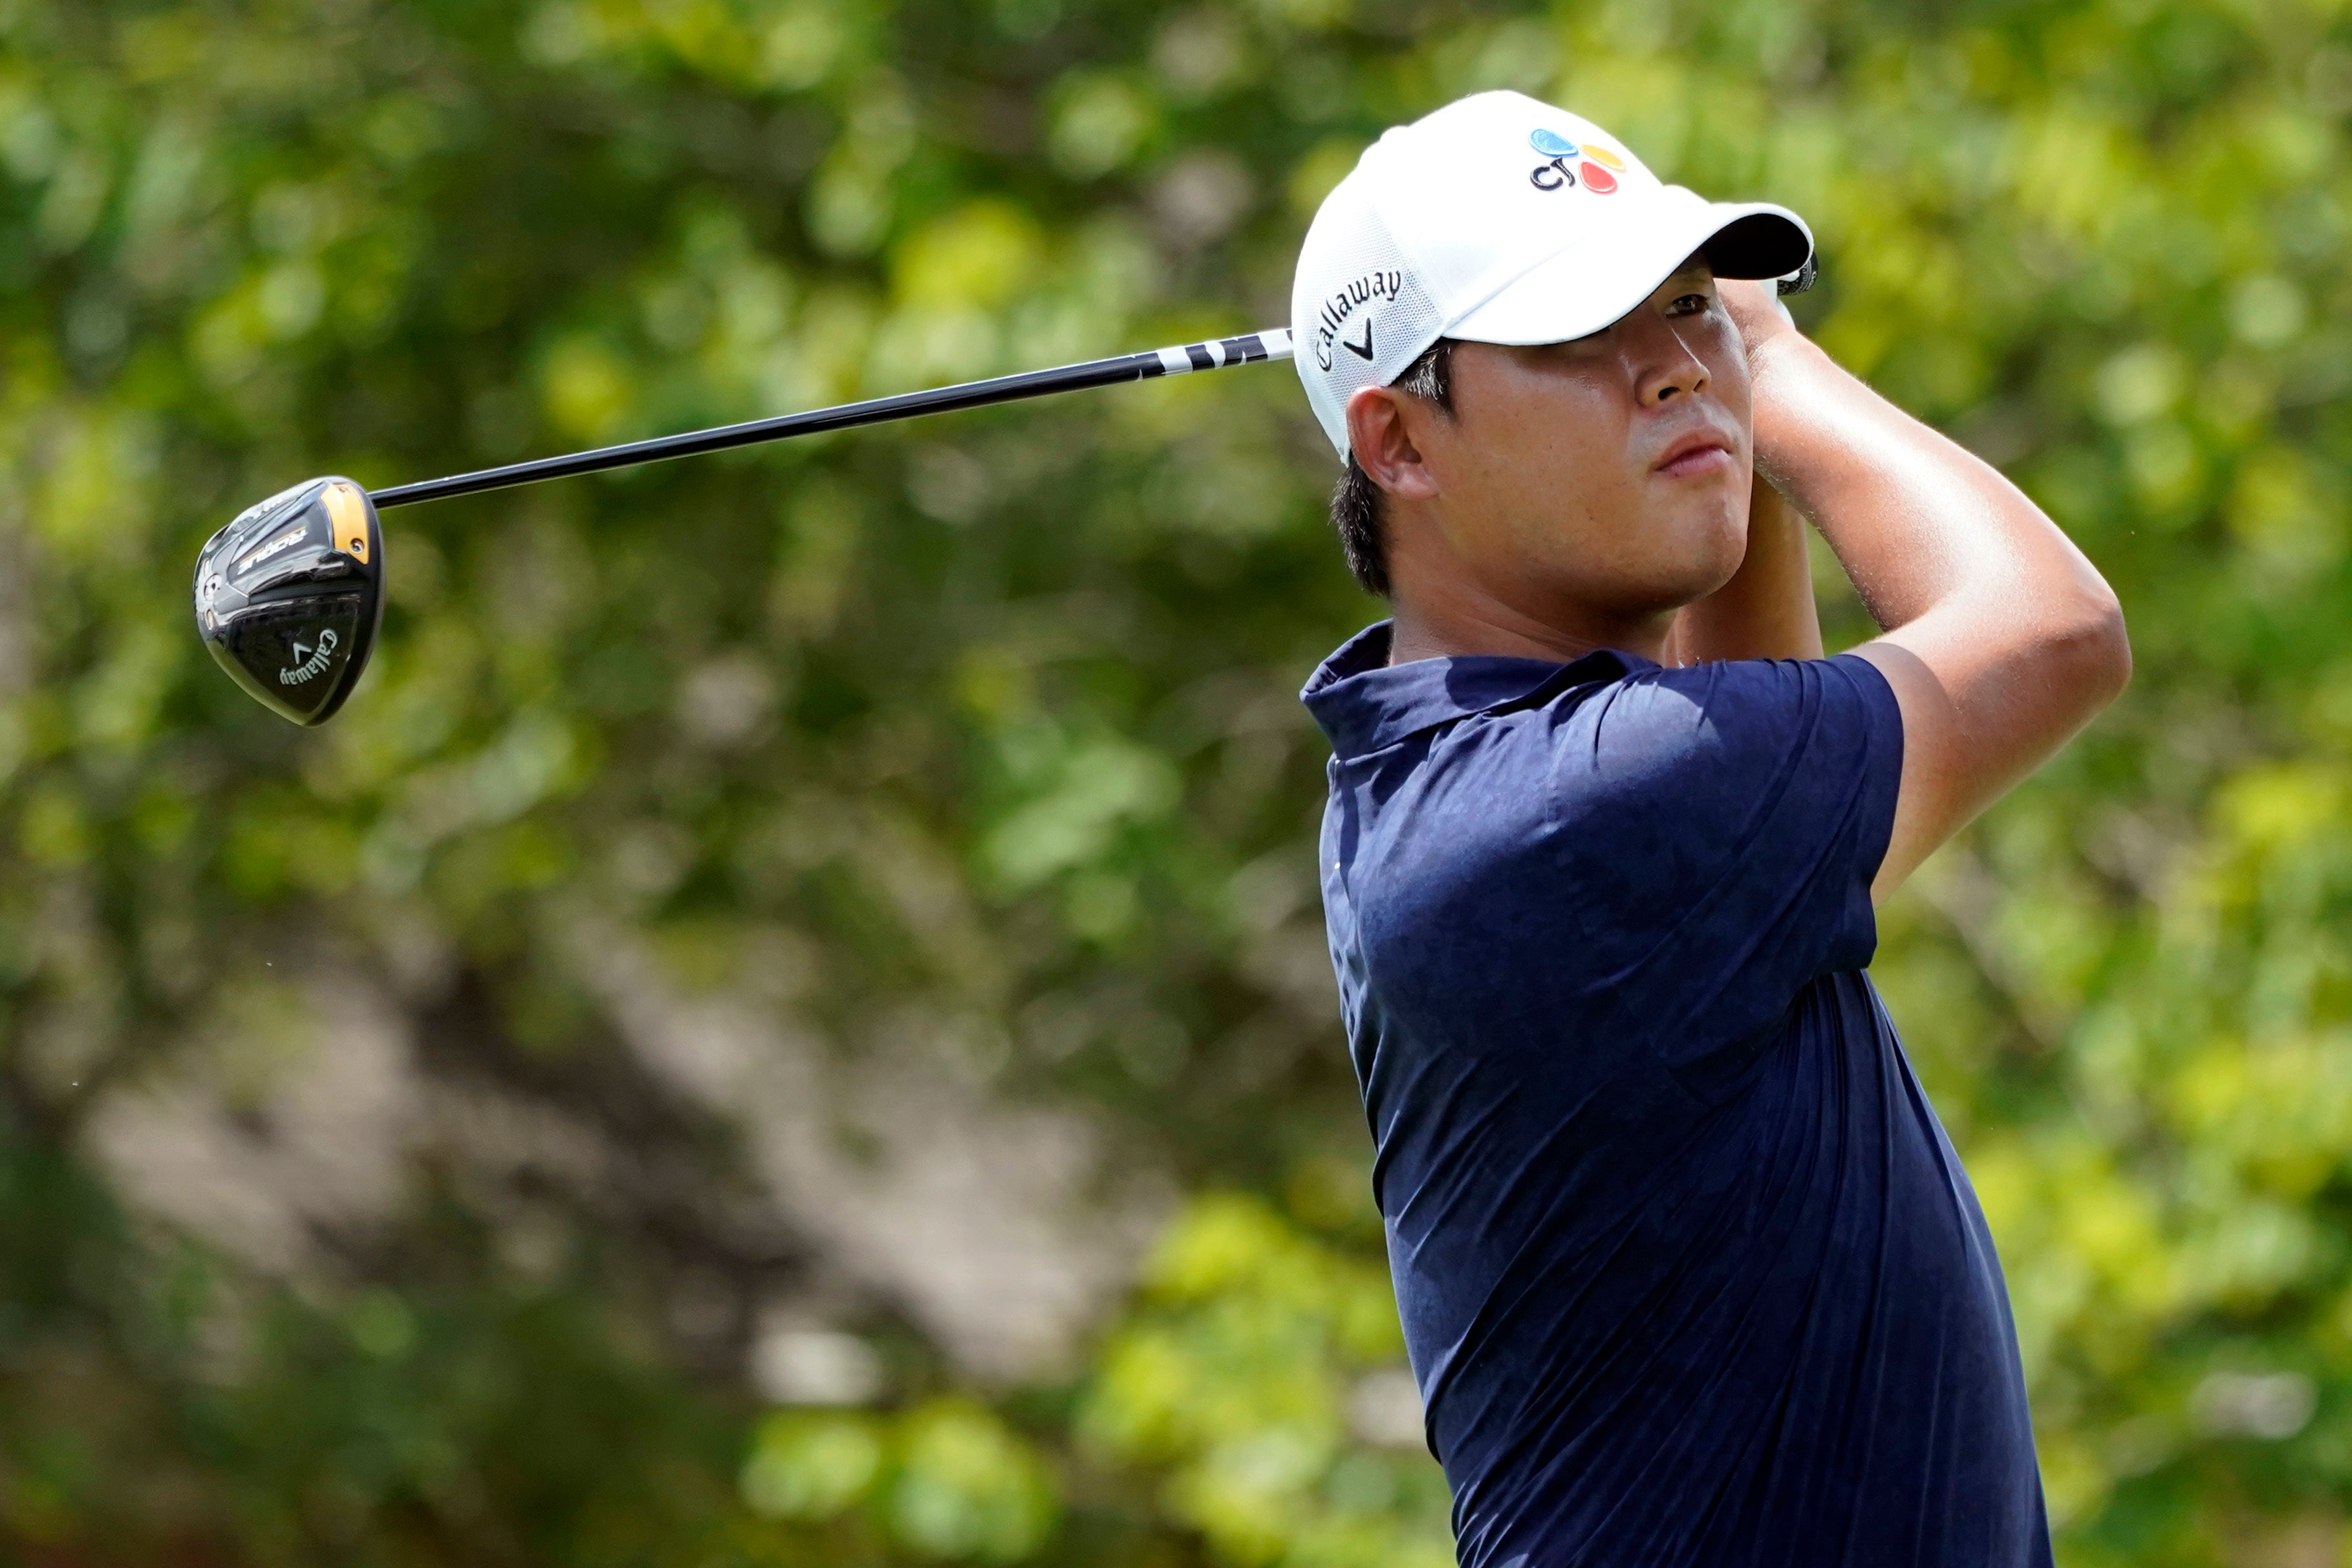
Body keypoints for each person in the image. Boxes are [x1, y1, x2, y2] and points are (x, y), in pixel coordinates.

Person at [1291, 91, 2129, 1567]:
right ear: (1400, 443)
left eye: (1686, 307)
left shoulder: (1490, 778)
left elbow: (1746, 695)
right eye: (1579, 333)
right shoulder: (1566, 816)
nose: (1674, 367)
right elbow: (2053, 630)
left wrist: (1721, 411)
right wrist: (1779, 362)